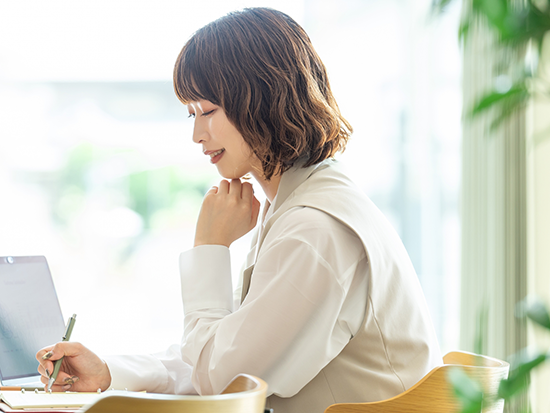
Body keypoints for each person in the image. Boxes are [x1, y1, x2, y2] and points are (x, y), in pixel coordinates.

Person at [36, 7, 441, 413]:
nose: (197, 135)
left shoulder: (314, 229)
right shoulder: (300, 205)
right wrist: (109, 372)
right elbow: (222, 353)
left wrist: (210, 248)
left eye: (208, 111)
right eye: (191, 114)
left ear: (262, 97)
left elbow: (226, 382)